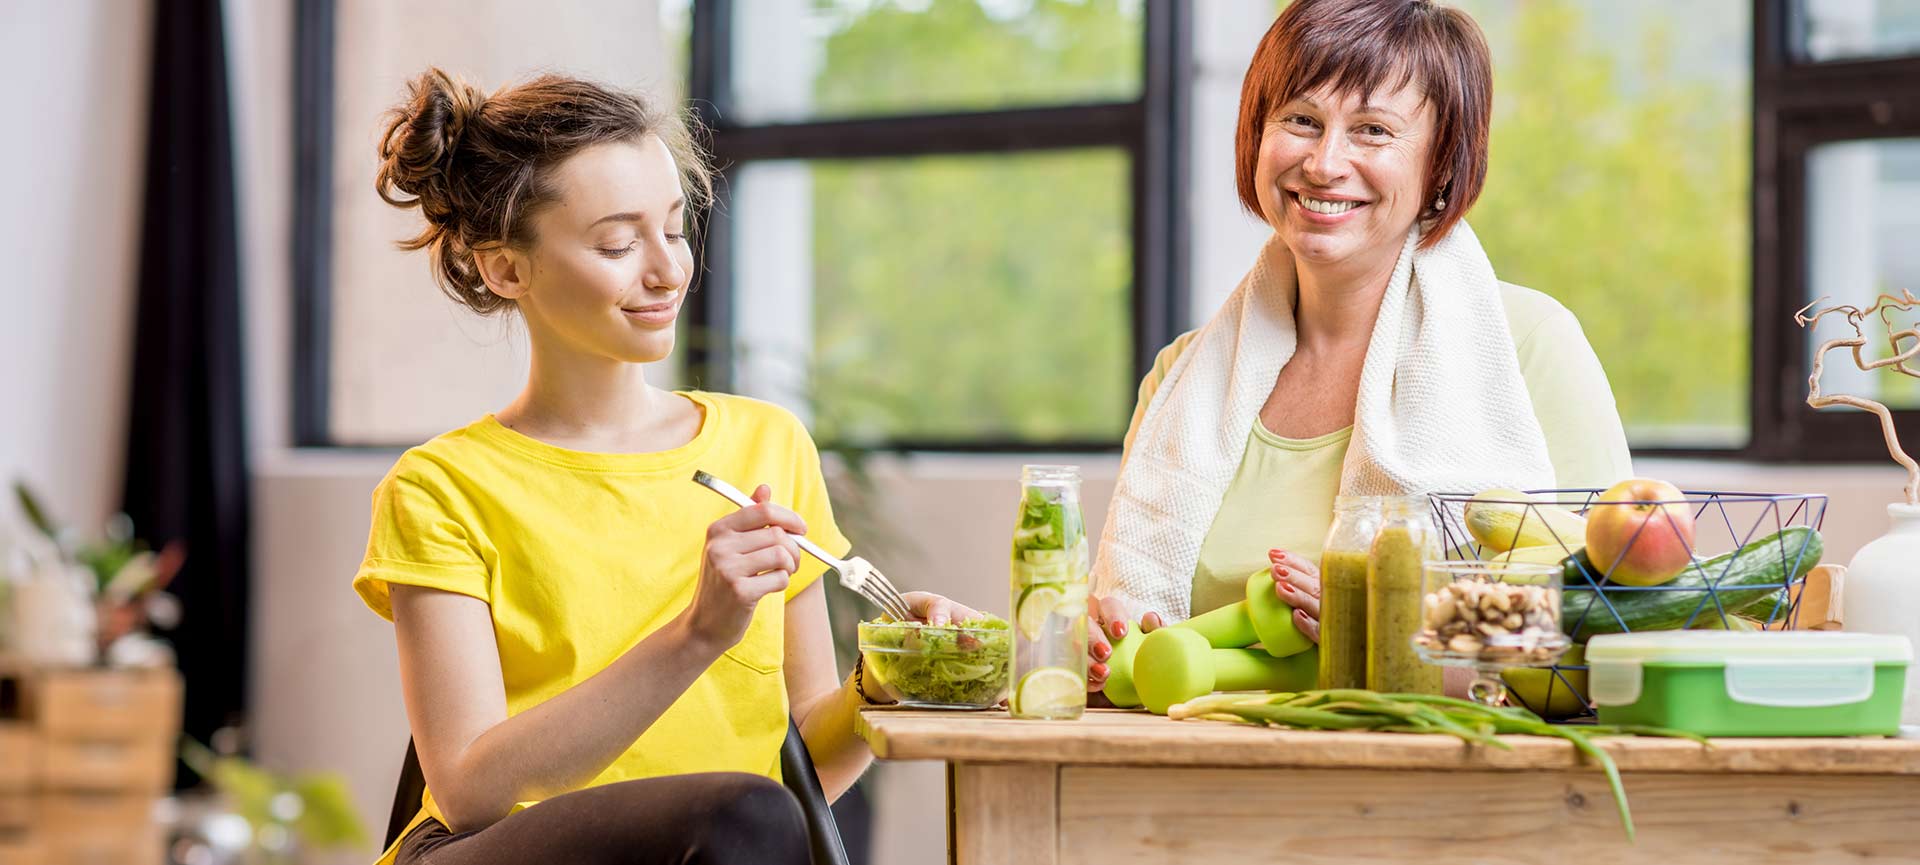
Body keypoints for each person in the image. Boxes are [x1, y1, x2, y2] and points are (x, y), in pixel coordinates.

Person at [353, 68, 976, 864]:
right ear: (507, 269)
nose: (667, 270)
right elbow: (472, 791)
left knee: (754, 812)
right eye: (617, 243)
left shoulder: (767, 444)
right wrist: (697, 633)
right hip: (487, 849)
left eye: (675, 230)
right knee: (745, 813)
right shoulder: (442, 488)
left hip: (727, 841)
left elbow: (802, 774)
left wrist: (881, 680)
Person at [1084, 0, 1631, 694]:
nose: (1324, 162)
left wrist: (1388, 623)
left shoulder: (1529, 346)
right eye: (1301, 120)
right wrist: (1097, 635)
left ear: (1440, 166)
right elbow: (1133, 621)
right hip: (1191, 779)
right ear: (1258, 134)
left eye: (1372, 130)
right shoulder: (1182, 375)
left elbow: (1608, 622)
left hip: (1445, 789)